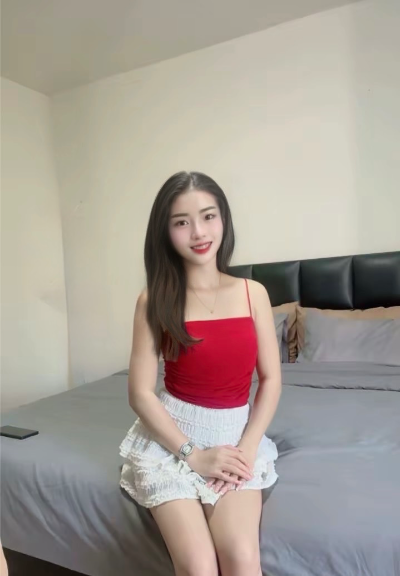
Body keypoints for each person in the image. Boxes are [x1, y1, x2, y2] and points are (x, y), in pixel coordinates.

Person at [119, 171, 281, 576]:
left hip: (235, 436)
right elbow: (140, 393)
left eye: (208, 216)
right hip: (174, 440)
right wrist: (192, 454)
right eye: (181, 222)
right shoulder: (153, 300)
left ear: (223, 219)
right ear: (165, 232)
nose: (198, 232)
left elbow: (271, 380)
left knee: (241, 557)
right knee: (198, 566)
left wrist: (247, 448)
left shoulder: (253, 293)